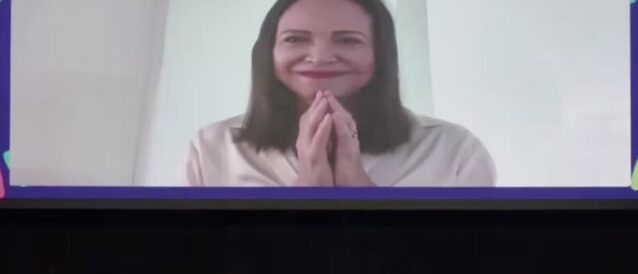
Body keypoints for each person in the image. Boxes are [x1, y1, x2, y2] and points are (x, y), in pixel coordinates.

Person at [182, 0, 495, 187]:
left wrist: (359, 192)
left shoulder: (454, 151)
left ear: (381, 55)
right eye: (295, 39)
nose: (319, 57)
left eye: (348, 40)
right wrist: (304, 195)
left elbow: (464, 270)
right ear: (268, 52)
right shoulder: (211, 149)